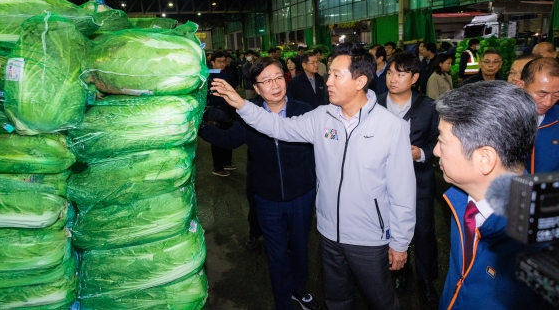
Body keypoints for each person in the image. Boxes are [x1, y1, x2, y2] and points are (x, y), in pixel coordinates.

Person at [211, 42, 416, 310]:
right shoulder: (321, 117)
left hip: (369, 238)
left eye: (335, 75)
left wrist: (400, 243)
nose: (327, 81)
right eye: (328, 73)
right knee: (337, 299)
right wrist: (240, 103)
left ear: (360, 81)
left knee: (381, 301)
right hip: (329, 234)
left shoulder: (391, 127)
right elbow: (276, 126)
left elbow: (403, 192)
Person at [199, 58, 319, 310]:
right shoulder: (248, 114)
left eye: (278, 77)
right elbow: (228, 140)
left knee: (300, 247)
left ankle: (300, 288)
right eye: (266, 80)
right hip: (267, 199)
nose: (274, 85)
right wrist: (196, 124)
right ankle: (283, 301)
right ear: (256, 87)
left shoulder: (305, 111)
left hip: (302, 195)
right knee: (276, 255)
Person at [435, 81, 553, 310]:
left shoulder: (540, 251)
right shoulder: (463, 201)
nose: (436, 151)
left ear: (485, 159)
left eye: (442, 141)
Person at [377, 53, 440, 309]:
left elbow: (439, 141)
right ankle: (400, 270)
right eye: (390, 72)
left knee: (424, 232)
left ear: (414, 78)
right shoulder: (374, 105)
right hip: (383, 184)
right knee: (389, 229)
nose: (393, 79)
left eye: (401, 74)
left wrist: (421, 153)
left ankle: (426, 280)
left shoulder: (429, 106)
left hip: (419, 182)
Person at [515, 57, 559, 173]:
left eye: (556, 95)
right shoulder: (497, 119)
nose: (548, 102)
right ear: (520, 85)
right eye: (542, 94)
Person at [206, 52, 237, 177]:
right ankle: (218, 167)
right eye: (219, 61)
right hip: (214, 110)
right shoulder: (207, 75)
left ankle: (226, 163)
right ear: (212, 62)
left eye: (224, 61)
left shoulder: (225, 74)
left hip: (227, 110)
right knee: (217, 139)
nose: (222, 64)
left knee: (228, 136)